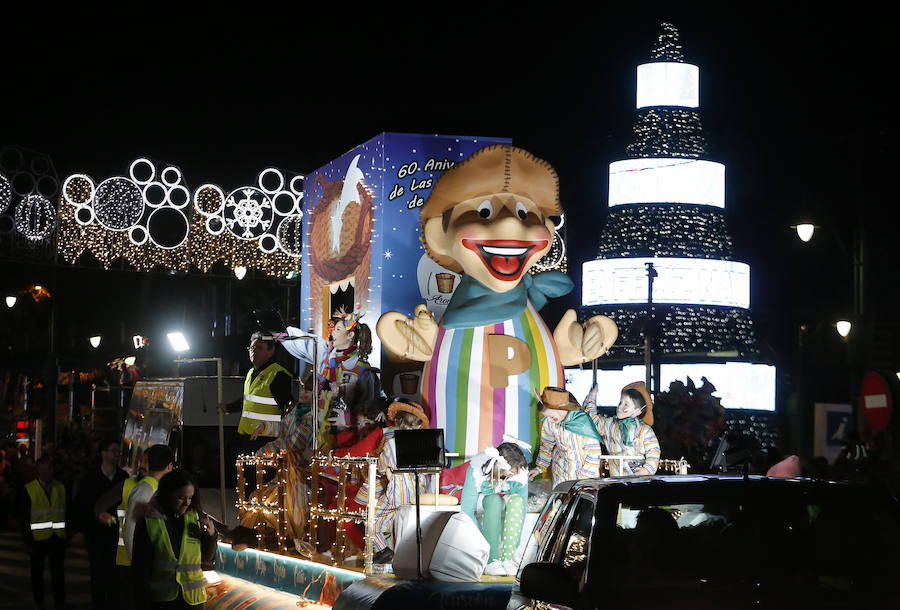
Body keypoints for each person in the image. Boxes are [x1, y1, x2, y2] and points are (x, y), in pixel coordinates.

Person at [354, 399, 432, 563]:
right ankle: (392, 554)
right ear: (417, 424)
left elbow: (382, 467)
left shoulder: (392, 443)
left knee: (371, 519)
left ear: (398, 422)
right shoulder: (424, 443)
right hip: (420, 494)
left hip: (397, 495)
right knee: (390, 523)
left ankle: (384, 550)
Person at [131, 469, 217, 610]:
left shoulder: (196, 518)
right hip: (162, 601)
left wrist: (211, 536)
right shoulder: (149, 521)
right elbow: (140, 568)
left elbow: (207, 560)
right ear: (167, 494)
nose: (186, 503)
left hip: (193, 602)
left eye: (190, 498)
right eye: (181, 497)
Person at [73, 438, 128, 610]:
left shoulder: (123, 477)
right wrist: (79, 530)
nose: (117, 455)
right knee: (97, 573)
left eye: (118, 452)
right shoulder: (90, 477)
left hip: (115, 534)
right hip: (94, 533)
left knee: (114, 574)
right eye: (113, 451)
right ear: (103, 453)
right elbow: (81, 505)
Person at [460, 442, 529, 576]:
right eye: (512, 470)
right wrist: (482, 540)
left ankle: (508, 559)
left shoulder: (520, 473)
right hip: (485, 501)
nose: (517, 472)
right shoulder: (476, 469)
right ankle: (492, 560)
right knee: (494, 501)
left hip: (507, 499)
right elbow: (467, 510)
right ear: (499, 466)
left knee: (517, 501)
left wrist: (516, 542)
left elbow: (523, 507)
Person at [220, 331, 294, 454]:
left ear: (271, 352)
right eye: (252, 347)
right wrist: (228, 408)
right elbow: (249, 400)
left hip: (266, 438)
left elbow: (288, 407)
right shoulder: (251, 373)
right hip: (248, 436)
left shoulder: (278, 374)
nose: (254, 350)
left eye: (259, 347)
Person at [530, 387, 605, 486]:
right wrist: (539, 468)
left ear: (562, 408)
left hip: (584, 477)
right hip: (560, 476)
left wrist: (583, 481)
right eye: (546, 416)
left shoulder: (582, 423)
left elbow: (593, 454)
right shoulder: (550, 423)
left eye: (551, 416)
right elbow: (546, 446)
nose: (549, 420)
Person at [20, 457, 67, 609]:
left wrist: (68, 535)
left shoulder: (60, 487)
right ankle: (39, 603)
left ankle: (60, 602)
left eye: (51, 468)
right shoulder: (28, 489)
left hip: (57, 538)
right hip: (37, 540)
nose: (50, 471)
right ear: (38, 470)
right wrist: (28, 542)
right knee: (37, 574)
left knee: (58, 573)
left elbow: (68, 511)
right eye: (46, 468)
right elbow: (23, 518)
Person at [585, 381, 660, 476]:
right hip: (616, 480)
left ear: (637, 412)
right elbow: (592, 419)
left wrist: (647, 469)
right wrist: (592, 396)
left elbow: (654, 451)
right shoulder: (610, 425)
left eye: (626, 404)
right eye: (620, 402)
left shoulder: (645, 430)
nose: (620, 406)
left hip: (639, 481)